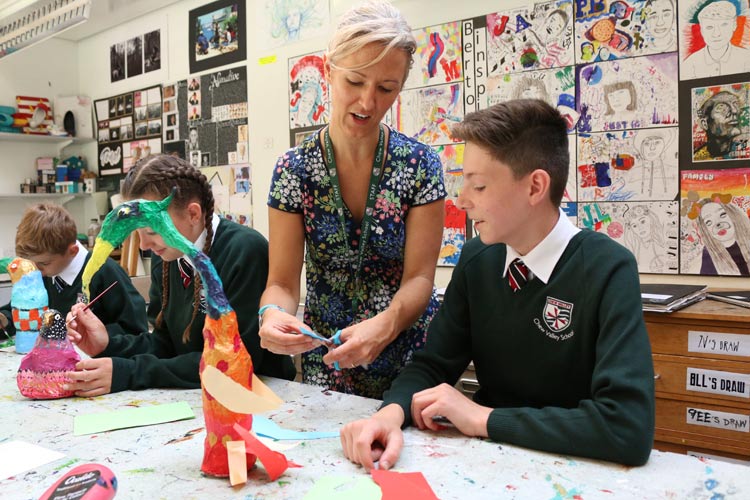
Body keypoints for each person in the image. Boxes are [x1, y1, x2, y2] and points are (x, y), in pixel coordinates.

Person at [340, 99, 655, 469]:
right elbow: (433, 365)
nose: (461, 201)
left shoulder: (608, 269)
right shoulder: (478, 259)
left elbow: (627, 428)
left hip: (574, 467)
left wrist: (482, 418)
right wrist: (389, 415)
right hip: (490, 462)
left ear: (535, 187)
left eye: (479, 186)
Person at [259, 0, 446, 399]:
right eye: (355, 82)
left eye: (386, 88)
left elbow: (420, 278)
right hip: (329, 359)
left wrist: (387, 325)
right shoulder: (294, 170)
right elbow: (281, 282)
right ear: (329, 70)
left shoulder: (420, 165)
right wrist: (272, 314)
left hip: (408, 358)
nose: (367, 103)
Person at [65, 155, 295, 396]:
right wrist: (108, 344)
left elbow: (232, 360)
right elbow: (165, 344)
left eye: (151, 231)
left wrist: (129, 372)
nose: (143, 245)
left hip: (262, 397)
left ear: (193, 214)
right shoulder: (167, 258)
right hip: (200, 395)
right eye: (138, 233)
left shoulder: (244, 250)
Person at [0, 204, 147, 341]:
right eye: (30, 263)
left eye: (44, 263)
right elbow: (21, 312)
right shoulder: (41, 273)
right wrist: (5, 320)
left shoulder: (105, 271)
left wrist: (88, 335)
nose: (36, 270)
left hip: (96, 357)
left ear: (72, 251)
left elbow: (135, 329)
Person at [681, 0, 750, 79]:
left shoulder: (746, 58)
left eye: (723, 25)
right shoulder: (690, 64)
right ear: (701, 30)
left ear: (734, 25)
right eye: (709, 27)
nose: (716, 34)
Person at [694, 198, 750, 275]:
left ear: (733, 214)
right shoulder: (709, 256)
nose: (718, 224)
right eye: (708, 222)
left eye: (722, 215)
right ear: (705, 230)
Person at [693, 90, 746, 160]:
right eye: (721, 107)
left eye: (735, 104)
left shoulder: (744, 151)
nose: (734, 111)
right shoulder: (697, 157)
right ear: (704, 123)